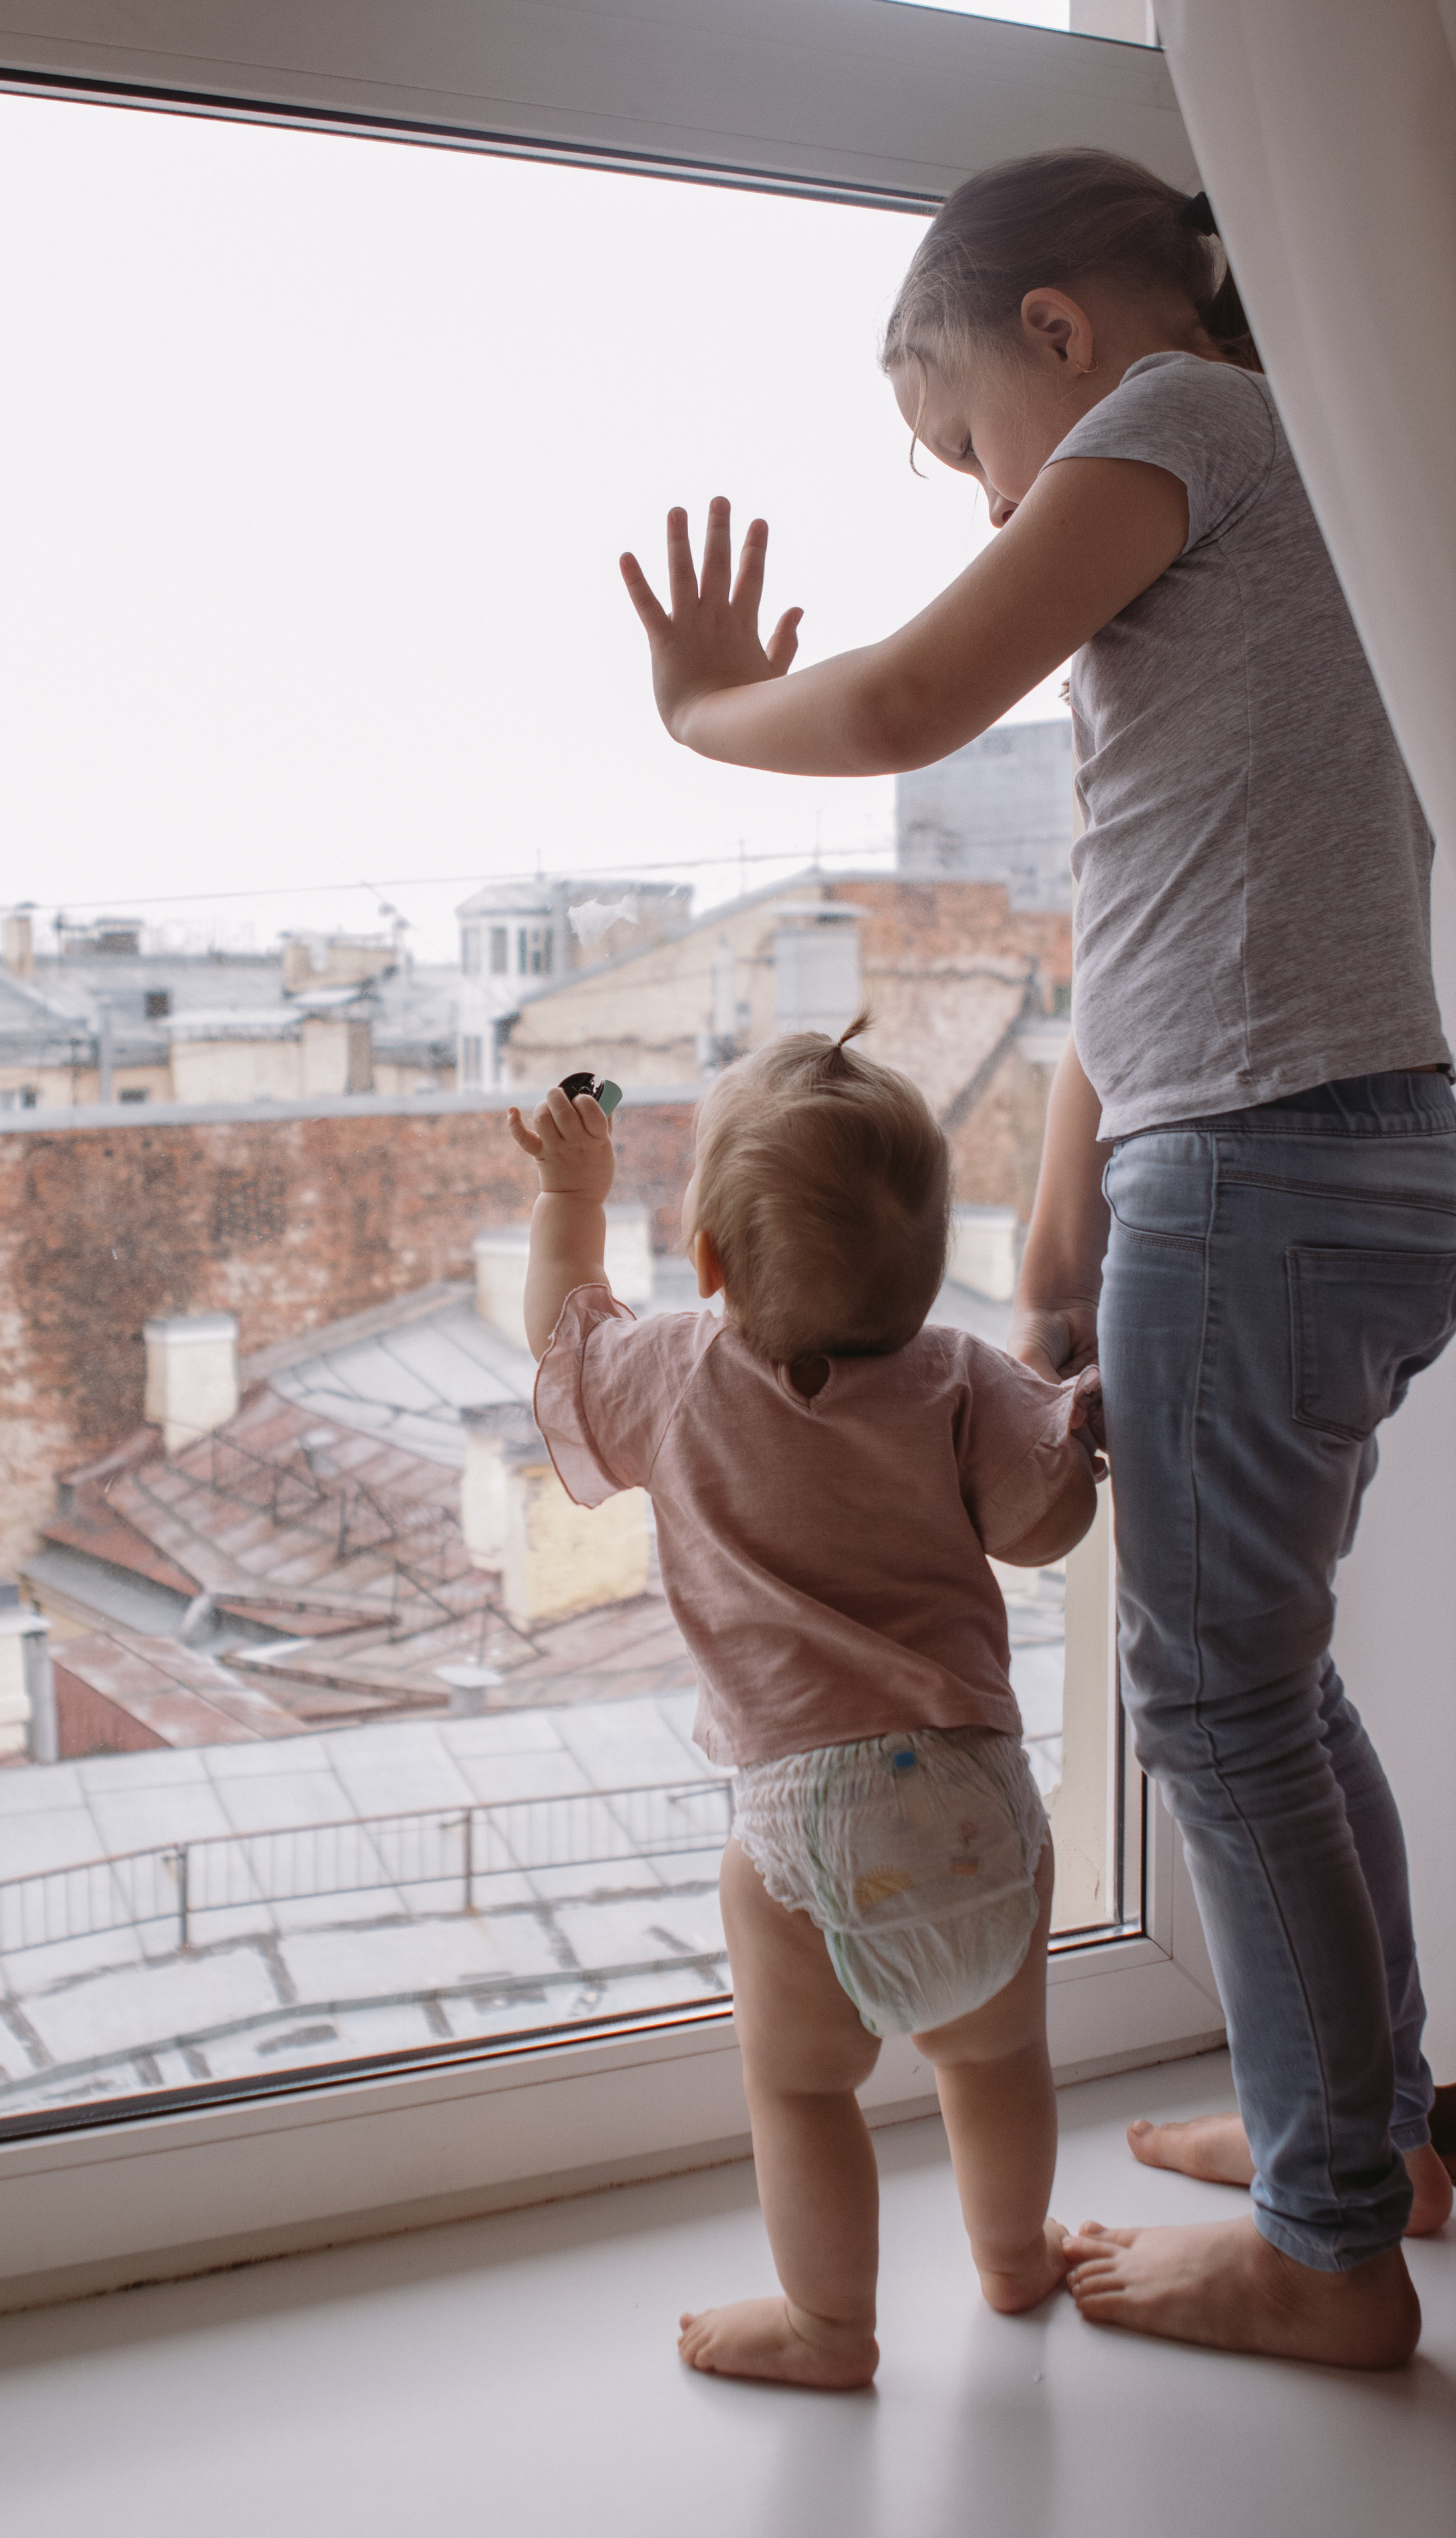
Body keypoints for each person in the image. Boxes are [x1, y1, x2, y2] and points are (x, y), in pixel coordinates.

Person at [617, 146, 1454, 2370]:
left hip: (1265, 1156)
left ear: (1060, 337)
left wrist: (702, 720)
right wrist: (1073, 1198)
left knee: (1218, 1707)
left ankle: (1329, 2242)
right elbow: (1140, 912)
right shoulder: (1310, 496)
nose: (993, 510)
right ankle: (1371, 2136)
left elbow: (897, 710)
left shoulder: (1177, 423)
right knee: (1274, 1687)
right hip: (1335, 1128)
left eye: (969, 443)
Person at [508, 1037, 1101, 2388]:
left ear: (709, 1263)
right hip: (979, 1802)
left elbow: (563, 1332)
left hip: (802, 1832)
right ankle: (1012, 2257)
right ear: (933, 1254)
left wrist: (572, 1196)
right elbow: (1047, 1524)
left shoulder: (666, 1374)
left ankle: (831, 2328)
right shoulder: (959, 1376)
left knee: (801, 2088)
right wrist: (1059, 1405)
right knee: (997, 2056)